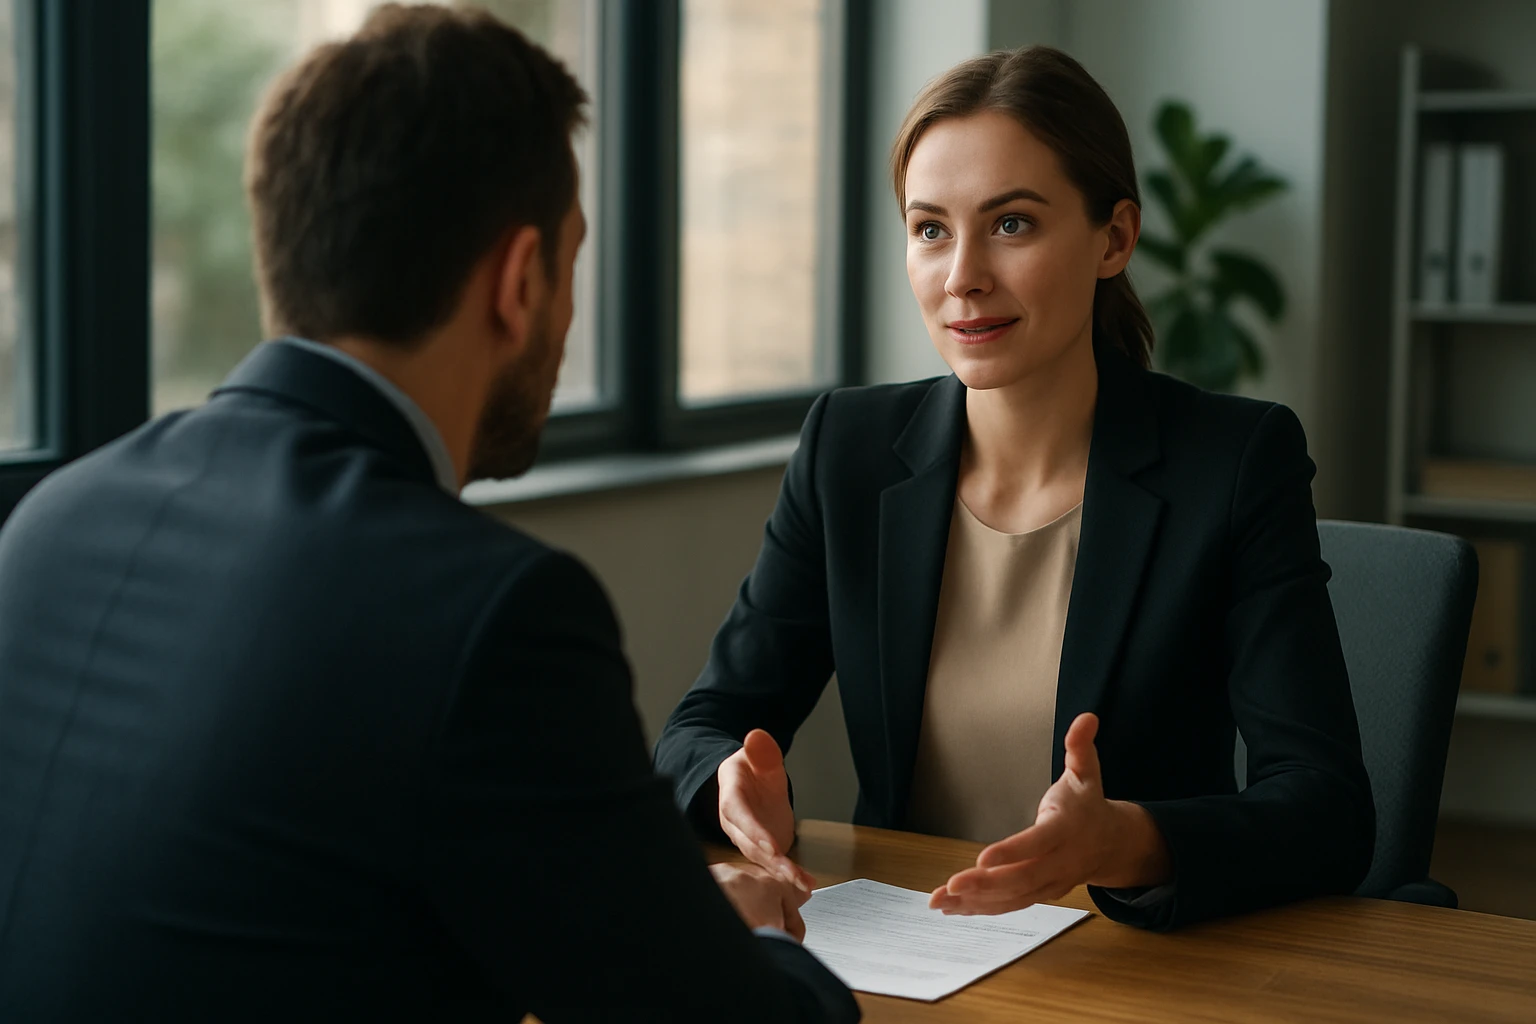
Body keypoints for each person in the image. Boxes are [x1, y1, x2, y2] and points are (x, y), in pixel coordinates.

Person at [0, 6, 858, 1022]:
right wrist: (756, 939)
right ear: (520, 280)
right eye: (572, 266)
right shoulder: (487, 613)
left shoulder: (49, 524)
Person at [654, 45, 1375, 933]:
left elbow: (1327, 806)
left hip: (1129, 955)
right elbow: (702, 725)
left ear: (1115, 239)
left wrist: (1124, 842)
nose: (962, 276)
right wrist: (726, 781)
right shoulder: (849, 448)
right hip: (912, 942)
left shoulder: (1230, 463)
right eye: (931, 230)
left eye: (1011, 224)